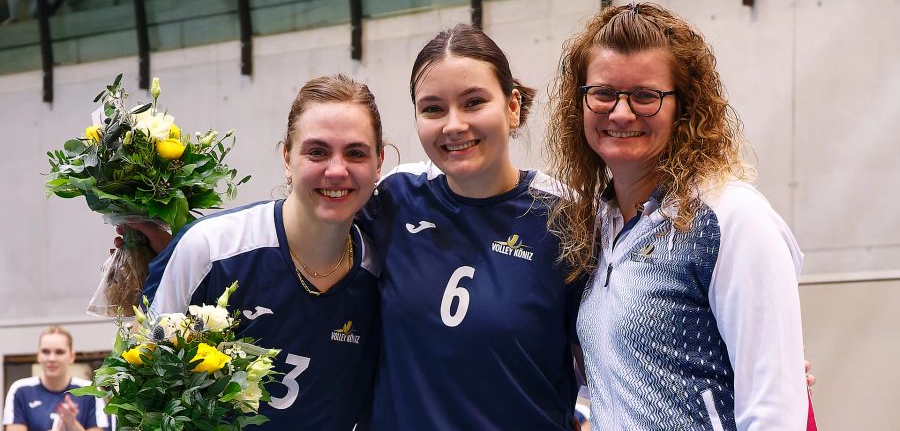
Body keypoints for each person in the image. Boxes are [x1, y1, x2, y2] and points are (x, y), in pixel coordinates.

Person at [545, 2, 811, 430]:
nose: (621, 113)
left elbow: (775, 410)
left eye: (646, 96)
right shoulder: (594, 229)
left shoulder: (732, 218)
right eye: (603, 93)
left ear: (684, 109)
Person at [357, 23, 583, 430]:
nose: (453, 125)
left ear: (512, 106)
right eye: (432, 108)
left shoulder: (567, 218)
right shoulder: (394, 198)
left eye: (474, 102)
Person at [140, 75, 385, 430]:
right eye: (316, 151)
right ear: (287, 157)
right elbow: (139, 396)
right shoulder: (208, 250)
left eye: (356, 153)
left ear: (378, 163)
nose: (336, 170)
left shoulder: (381, 274)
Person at [2, 326, 107, 431]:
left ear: (71, 356)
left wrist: (71, 423)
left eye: (59, 352)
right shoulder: (20, 390)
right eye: (46, 352)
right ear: (38, 355)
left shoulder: (90, 391)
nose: (51, 358)